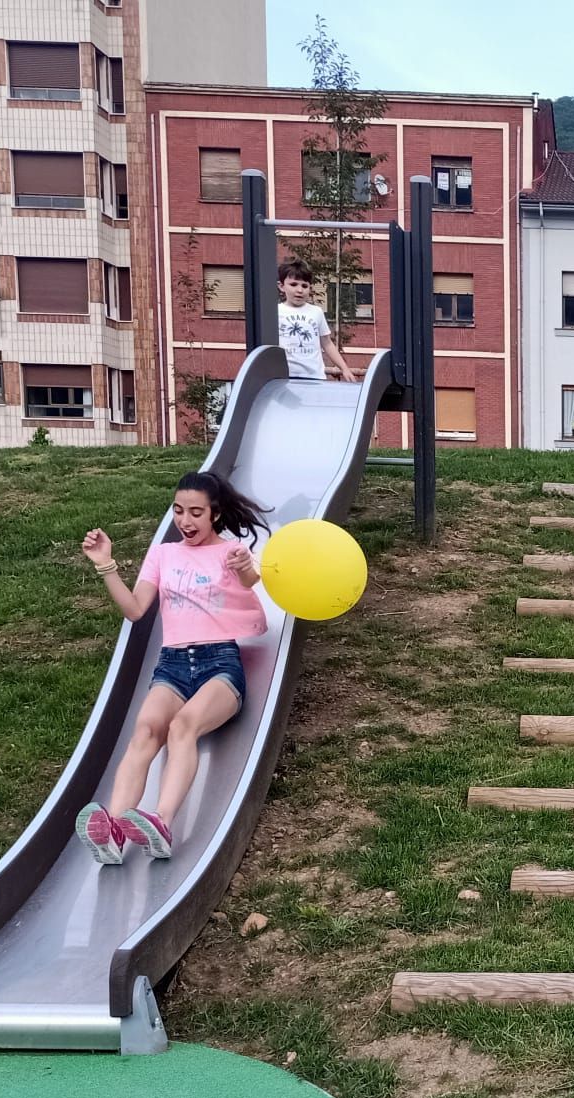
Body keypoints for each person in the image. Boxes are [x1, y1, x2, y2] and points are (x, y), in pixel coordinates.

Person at [75, 472, 273, 863]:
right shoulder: (163, 554)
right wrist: (106, 565)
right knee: (146, 730)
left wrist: (244, 564)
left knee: (183, 727)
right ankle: (113, 831)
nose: (185, 520)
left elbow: (251, 581)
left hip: (219, 664)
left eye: (196, 512)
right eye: (179, 510)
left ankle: (161, 823)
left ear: (214, 514)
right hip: (173, 665)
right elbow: (135, 611)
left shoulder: (230, 552)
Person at [276, 258, 358, 383]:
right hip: (285, 377)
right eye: (293, 284)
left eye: (304, 286)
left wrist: (344, 368)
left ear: (310, 288)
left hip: (315, 377)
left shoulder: (316, 312)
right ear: (281, 286)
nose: (299, 290)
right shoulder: (276, 312)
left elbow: (327, 343)